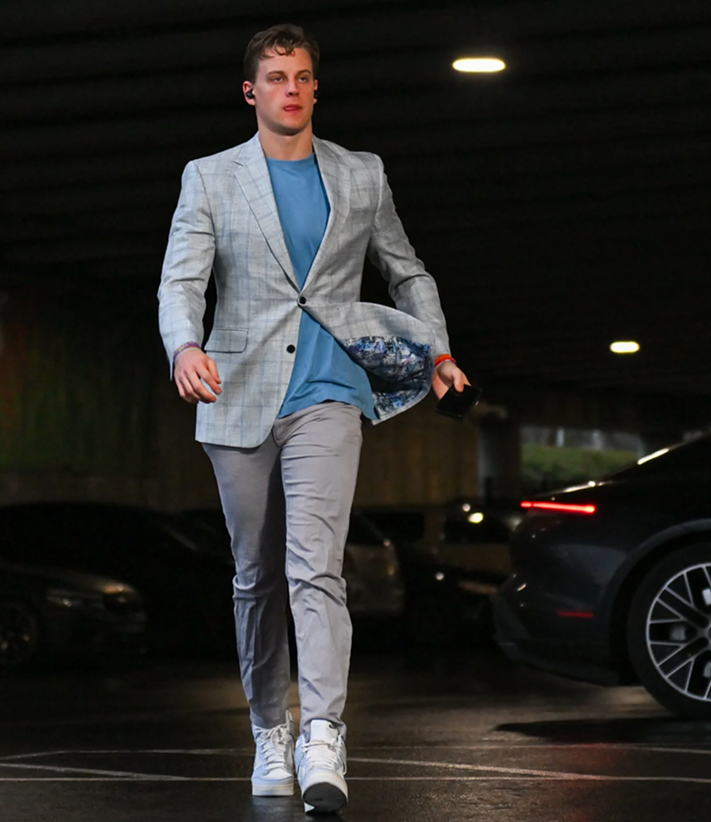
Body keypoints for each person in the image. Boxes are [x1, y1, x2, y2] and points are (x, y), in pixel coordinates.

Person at [157, 24, 469, 814]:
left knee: (315, 567)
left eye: (301, 76)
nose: (289, 88)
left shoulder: (361, 174)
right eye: (275, 77)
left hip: (330, 387)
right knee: (256, 577)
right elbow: (180, 280)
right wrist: (183, 347)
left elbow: (407, 269)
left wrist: (437, 353)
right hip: (237, 391)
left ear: (315, 89)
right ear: (251, 91)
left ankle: (323, 732)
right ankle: (270, 728)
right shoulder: (211, 176)